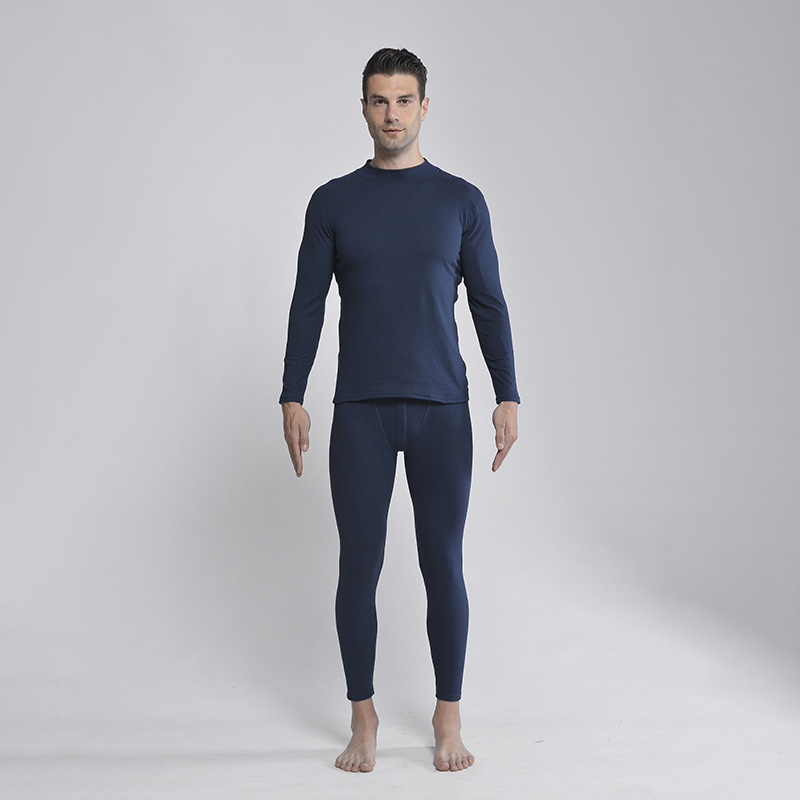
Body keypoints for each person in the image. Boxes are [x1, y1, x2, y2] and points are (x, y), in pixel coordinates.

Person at [280, 47, 520, 773]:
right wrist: (292, 392)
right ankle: (364, 717)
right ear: (363, 108)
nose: (392, 114)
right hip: (361, 408)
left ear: (424, 107)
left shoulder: (460, 201)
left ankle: (449, 715)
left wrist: (507, 392)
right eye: (380, 100)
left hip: (442, 406)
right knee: (359, 565)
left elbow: (488, 303)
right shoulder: (333, 202)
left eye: (404, 100)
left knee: (442, 563)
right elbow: (308, 304)